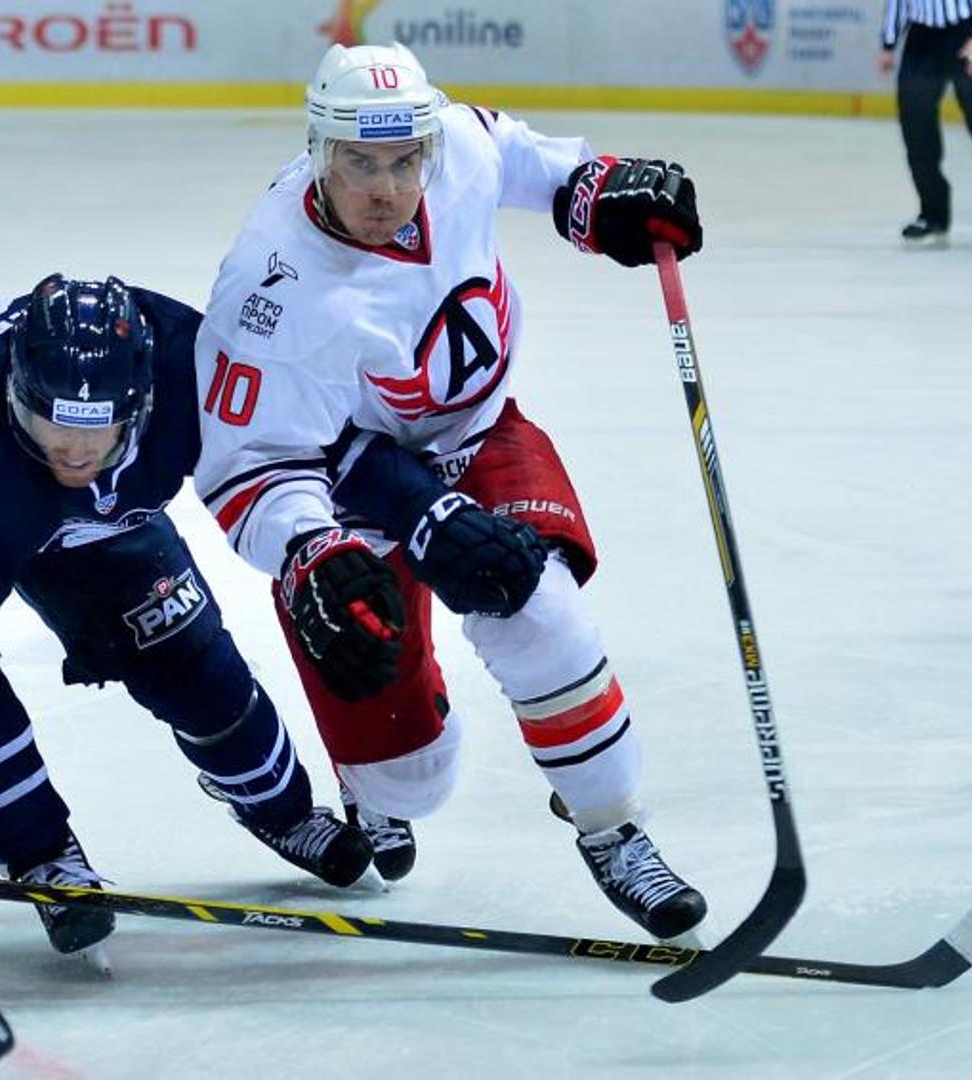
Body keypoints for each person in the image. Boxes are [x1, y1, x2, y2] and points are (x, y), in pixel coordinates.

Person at [191, 42, 708, 940]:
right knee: (410, 781)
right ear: (319, 151)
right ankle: (376, 788)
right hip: (348, 484)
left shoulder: (457, 144)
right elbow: (246, 467)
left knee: (539, 608)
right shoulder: (271, 287)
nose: (387, 189)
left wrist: (597, 193)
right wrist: (313, 554)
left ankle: (613, 829)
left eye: (404, 162)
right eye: (360, 164)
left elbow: (529, 161)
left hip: (477, 432)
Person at [0, 274, 379, 968]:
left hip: (7, 476)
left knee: (178, 647)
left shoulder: (192, 369)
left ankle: (283, 809)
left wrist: (427, 516)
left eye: (96, 425)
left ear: (142, 402)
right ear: (15, 395)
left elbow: (307, 444)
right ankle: (43, 856)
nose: (74, 450)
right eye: (55, 423)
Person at [878, 0, 972, 244]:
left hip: (967, 32)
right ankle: (933, 213)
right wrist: (888, 42)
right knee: (916, 127)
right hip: (922, 38)